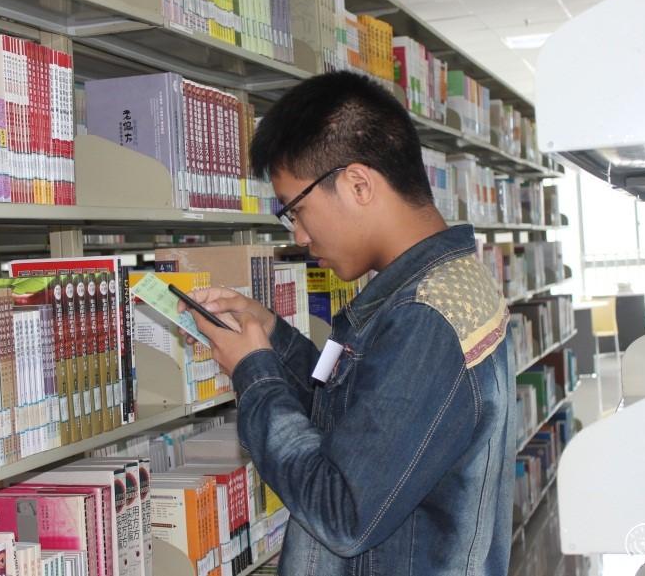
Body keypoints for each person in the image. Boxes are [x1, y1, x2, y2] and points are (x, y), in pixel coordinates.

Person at [180, 71, 516, 576]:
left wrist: (256, 375)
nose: (298, 235)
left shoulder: (423, 319)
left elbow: (344, 513)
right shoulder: (439, 284)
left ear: (358, 184)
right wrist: (274, 339)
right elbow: (357, 417)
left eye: (297, 210)